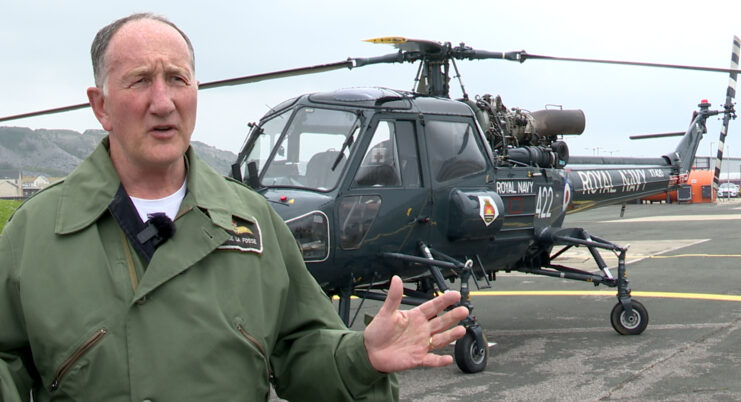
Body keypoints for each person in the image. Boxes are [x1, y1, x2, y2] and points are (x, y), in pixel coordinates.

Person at [0, 13, 468, 402]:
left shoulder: (253, 221)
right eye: (140, 81)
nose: (162, 102)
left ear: (195, 92)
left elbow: (303, 348)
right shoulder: (35, 233)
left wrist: (360, 356)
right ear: (100, 106)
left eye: (177, 79)